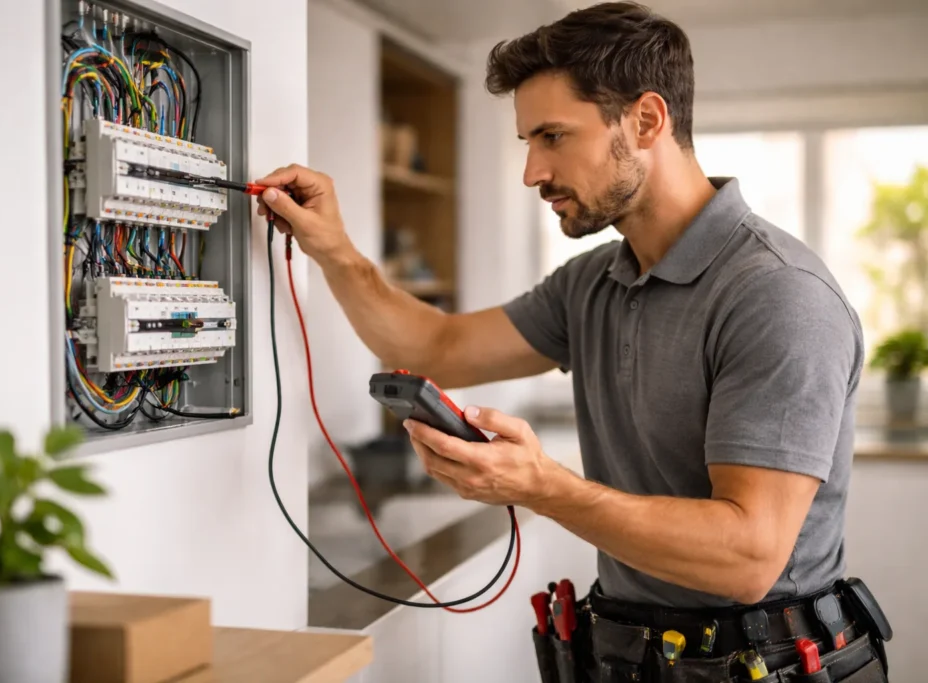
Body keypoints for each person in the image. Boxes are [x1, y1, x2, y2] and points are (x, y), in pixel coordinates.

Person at [257, 2, 891, 680]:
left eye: (553, 137)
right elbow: (439, 347)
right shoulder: (593, 282)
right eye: (528, 141)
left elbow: (748, 556)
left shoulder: (778, 294)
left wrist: (543, 486)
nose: (532, 171)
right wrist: (334, 249)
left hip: (770, 663)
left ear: (646, 121)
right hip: (630, 653)